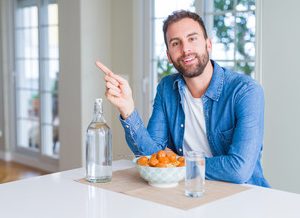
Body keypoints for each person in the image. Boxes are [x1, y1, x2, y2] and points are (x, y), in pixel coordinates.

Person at [96, 10, 270, 187]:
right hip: (187, 192)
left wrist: (179, 162)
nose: (185, 49)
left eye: (192, 39)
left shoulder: (246, 91)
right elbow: (153, 158)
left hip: (243, 197)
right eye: (176, 43)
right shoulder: (166, 88)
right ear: (169, 56)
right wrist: (127, 109)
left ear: (208, 45)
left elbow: (238, 170)